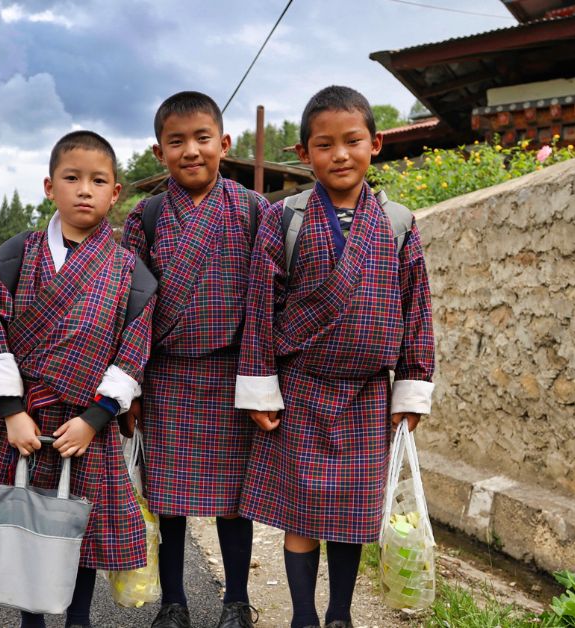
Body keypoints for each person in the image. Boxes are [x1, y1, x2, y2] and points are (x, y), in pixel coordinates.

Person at [234, 86, 435, 628]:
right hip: (301, 386)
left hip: (368, 391)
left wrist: (411, 389)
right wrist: (260, 388)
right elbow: (260, 306)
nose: (340, 155)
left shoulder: (398, 223)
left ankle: (340, 615)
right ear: (304, 154)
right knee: (301, 513)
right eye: (325, 145)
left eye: (352, 141)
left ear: (376, 144)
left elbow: (417, 310)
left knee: (353, 515)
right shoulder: (286, 219)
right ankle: (303, 616)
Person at [0, 130, 157, 628]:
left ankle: (79, 618)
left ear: (116, 193)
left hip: (87, 424)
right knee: (27, 519)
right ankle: (31, 619)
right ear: (50, 186)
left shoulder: (132, 272)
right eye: (72, 178)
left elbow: (133, 351)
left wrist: (95, 417)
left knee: (79, 526)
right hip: (26, 421)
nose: (84, 190)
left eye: (98, 180)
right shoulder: (16, 256)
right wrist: (11, 412)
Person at [121, 90, 268, 628]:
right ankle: (174, 602)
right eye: (176, 141)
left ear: (223, 144)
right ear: (158, 152)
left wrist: (263, 383)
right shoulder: (148, 215)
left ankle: (236, 602)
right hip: (167, 375)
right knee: (168, 497)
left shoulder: (255, 212)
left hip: (232, 376)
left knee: (234, 499)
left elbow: (265, 306)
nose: (190, 151)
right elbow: (131, 308)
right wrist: (130, 387)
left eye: (201, 138)